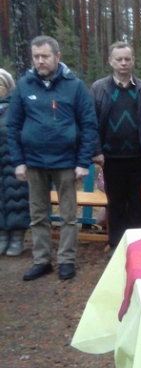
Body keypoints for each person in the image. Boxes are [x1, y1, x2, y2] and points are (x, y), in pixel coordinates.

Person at [7, 36, 98, 281]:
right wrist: (18, 161)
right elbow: (13, 125)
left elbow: (88, 125)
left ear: (57, 57)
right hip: (33, 162)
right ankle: (42, 261)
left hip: (66, 162)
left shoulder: (74, 86)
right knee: (38, 215)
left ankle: (66, 260)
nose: (40, 61)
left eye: (45, 56)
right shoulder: (24, 86)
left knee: (69, 215)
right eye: (36, 57)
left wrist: (83, 162)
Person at [90, 42, 141, 256]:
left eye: (127, 59)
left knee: (137, 202)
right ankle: (117, 244)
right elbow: (91, 123)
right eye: (119, 59)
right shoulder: (99, 88)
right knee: (116, 202)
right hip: (111, 157)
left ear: (133, 61)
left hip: (139, 156)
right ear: (110, 61)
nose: (123, 63)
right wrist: (97, 151)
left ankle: (135, 244)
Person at [0, 68, 30, 256]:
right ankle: (2, 236)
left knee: (17, 199)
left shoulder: (16, 105)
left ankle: (17, 238)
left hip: (13, 160)